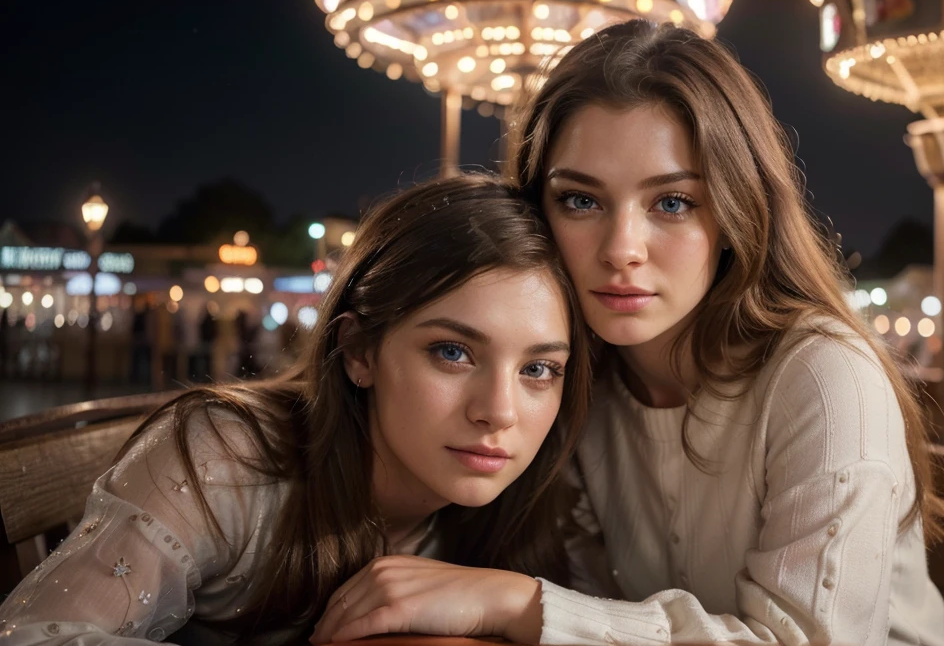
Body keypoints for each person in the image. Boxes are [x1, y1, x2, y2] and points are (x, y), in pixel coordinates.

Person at [310, 21, 944, 646]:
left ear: (737, 210)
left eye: (671, 202)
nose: (622, 250)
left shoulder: (822, 376)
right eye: (581, 201)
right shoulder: (564, 379)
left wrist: (515, 601)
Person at [0, 175, 590, 645]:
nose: (499, 412)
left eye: (539, 369)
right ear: (358, 351)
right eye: (453, 352)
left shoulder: (544, 495)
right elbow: (36, 635)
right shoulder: (228, 456)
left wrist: (523, 604)